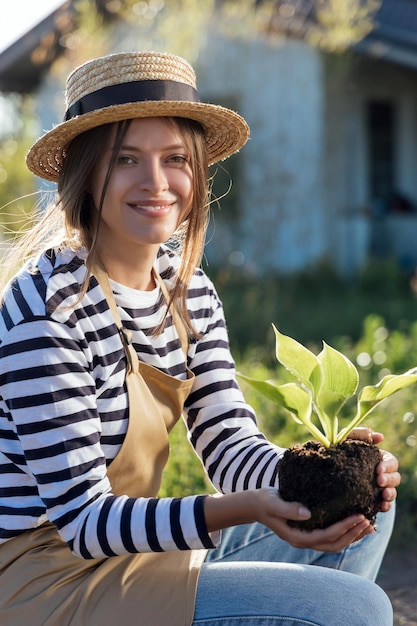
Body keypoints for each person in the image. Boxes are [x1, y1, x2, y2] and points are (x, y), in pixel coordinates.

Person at [0, 51, 398, 626]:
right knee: (354, 609)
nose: (156, 183)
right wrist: (249, 508)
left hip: (134, 551)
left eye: (176, 159)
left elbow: (229, 444)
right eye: (127, 159)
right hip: (42, 580)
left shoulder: (187, 292)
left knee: (362, 507)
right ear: (84, 175)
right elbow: (84, 523)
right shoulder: (48, 308)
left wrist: (329, 470)